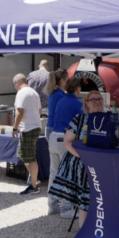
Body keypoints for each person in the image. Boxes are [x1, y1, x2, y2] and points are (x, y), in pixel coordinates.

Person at [49, 90, 111, 227]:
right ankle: (84, 232)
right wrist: (83, 156)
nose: (97, 102)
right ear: (86, 103)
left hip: (103, 165)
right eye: (93, 99)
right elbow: (67, 142)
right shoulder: (79, 119)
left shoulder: (108, 119)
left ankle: (100, 229)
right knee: (85, 200)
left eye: (99, 99)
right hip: (81, 165)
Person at [48, 77, 83, 218]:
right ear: (77, 88)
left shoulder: (61, 100)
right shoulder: (78, 104)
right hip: (65, 140)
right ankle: (66, 209)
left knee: (53, 173)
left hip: (53, 137)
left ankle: (52, 206)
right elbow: (82, 124)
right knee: (67, 174)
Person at [12, 73, 43, 195]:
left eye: (14, 84)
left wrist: (15, 128)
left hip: (28, 128)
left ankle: (34, 186)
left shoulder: (21, 93)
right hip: (34, 126)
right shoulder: (34, 92)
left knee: (30, 158)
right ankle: (34, 178)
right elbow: (40, 111)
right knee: (23, 155)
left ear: (17, 83)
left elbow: (20, 112)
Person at [44, 69, 68, 214]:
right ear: (62, 81)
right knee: (63, 171)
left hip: (50, 130)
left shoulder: (53, 93)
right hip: (58, 131)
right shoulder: (61, 95)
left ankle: (52, 204)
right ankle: (65, 206)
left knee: (54, 171)